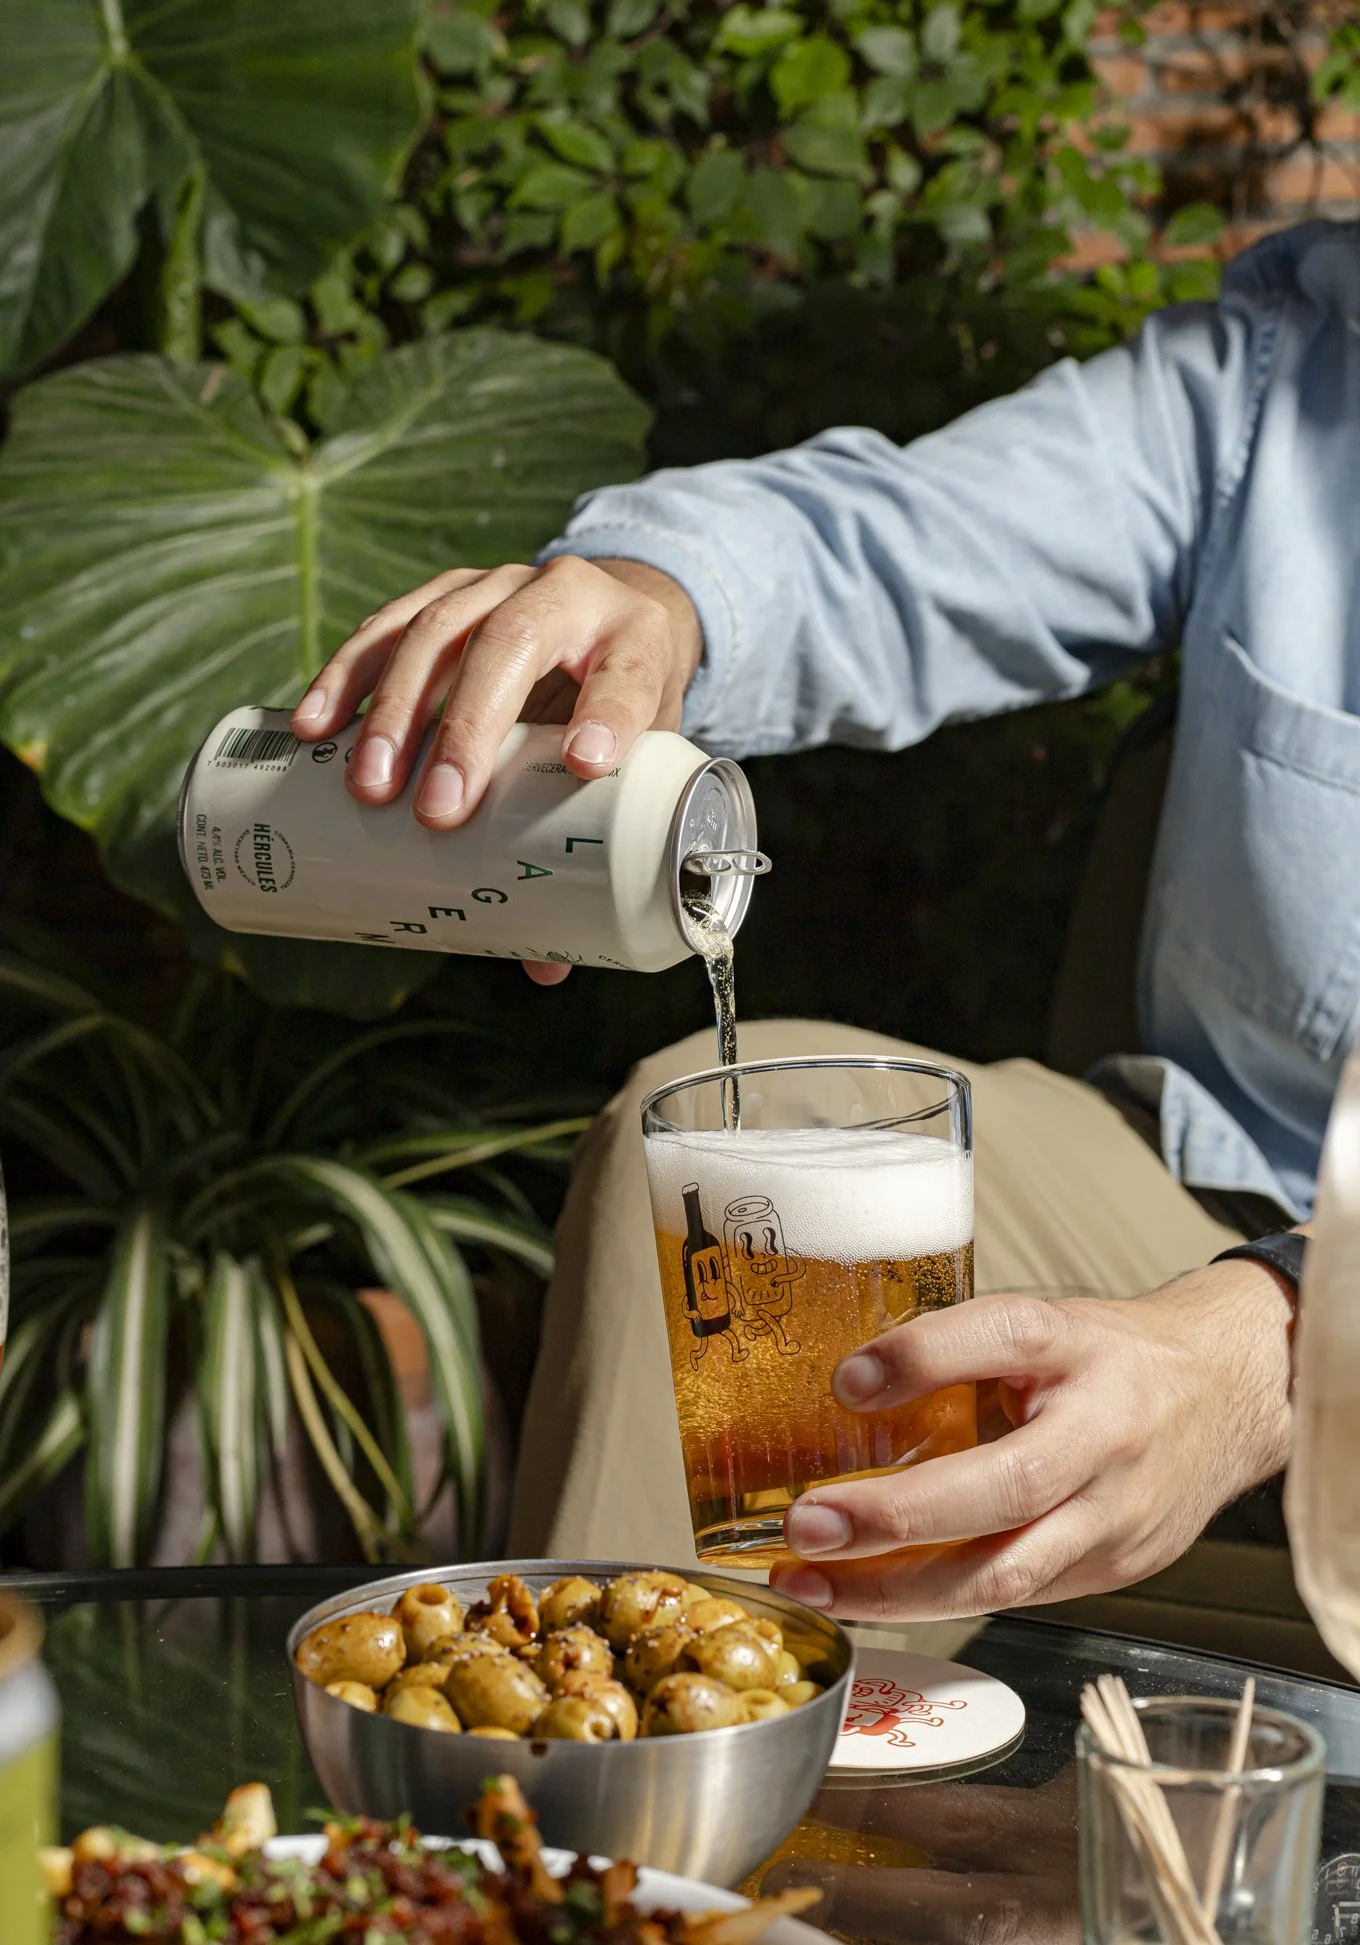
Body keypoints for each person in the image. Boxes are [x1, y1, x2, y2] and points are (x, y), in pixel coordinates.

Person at [289, 220, 1360, 1621]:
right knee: (721, 1143)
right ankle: (625, 1803)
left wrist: (1270, 1344)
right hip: (1234, 1167)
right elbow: (899, 545)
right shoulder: (1293, 375)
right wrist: (655, 606)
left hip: (1306, 1277)